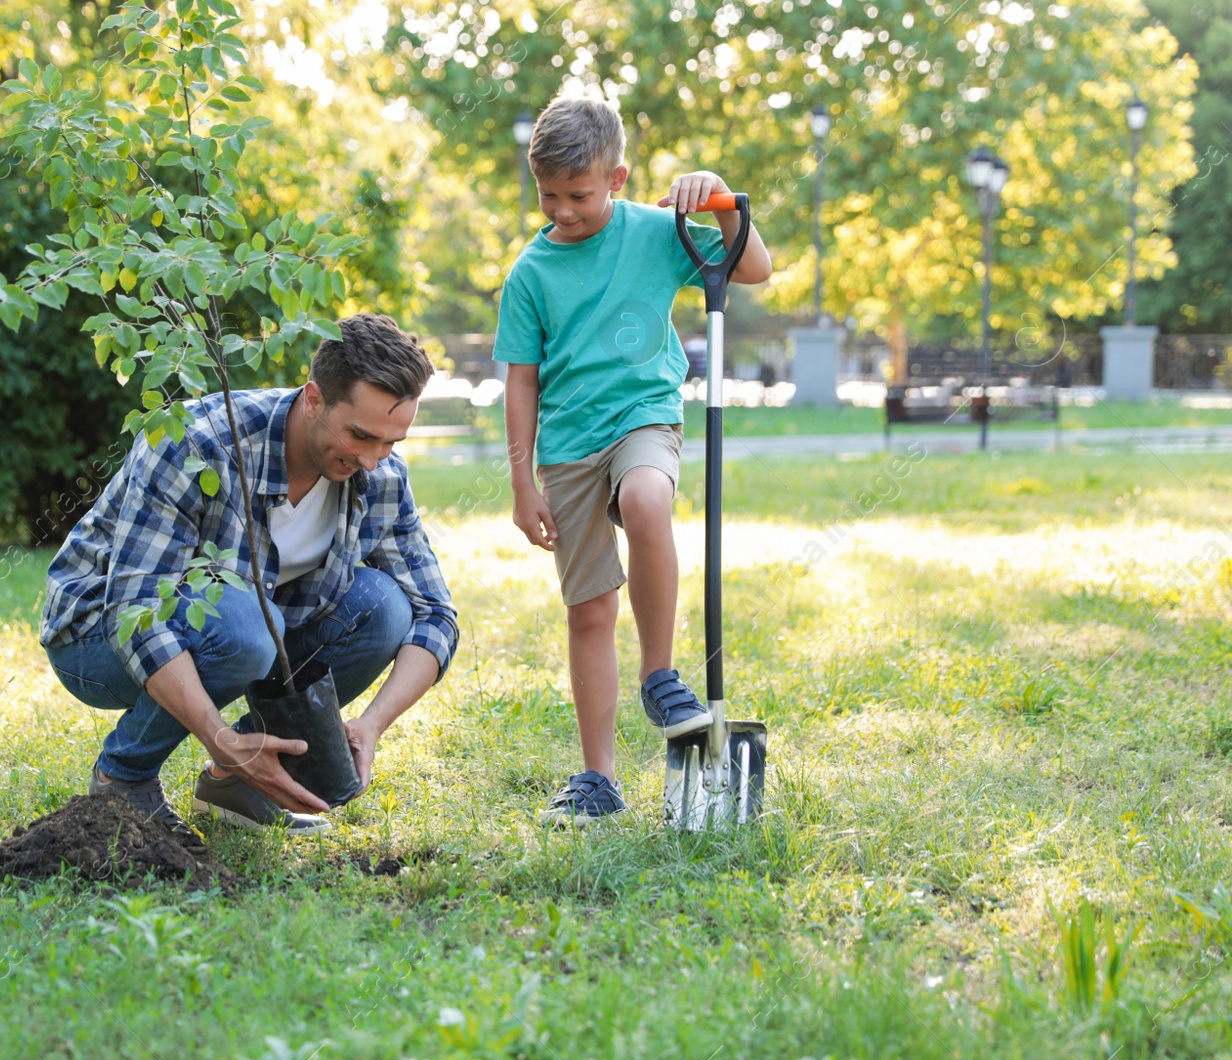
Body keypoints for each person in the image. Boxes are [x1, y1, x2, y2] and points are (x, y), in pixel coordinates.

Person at [41, 314, 459, 835]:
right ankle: (123, 781)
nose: (375, 461)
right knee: (245, 630)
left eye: (391, 443)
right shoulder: (195, 445)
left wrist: (372, 724)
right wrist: (220, 735)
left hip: (244, 629)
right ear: (313, 399)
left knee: (384, 609)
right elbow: (137, 607)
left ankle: (232, 785)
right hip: (95, 637)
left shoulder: (382, 480)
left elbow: (435, 614)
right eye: (361, 436)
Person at [495, 95, 773, 827]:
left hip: (643, 416)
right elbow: (521, 381)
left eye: (578, 194)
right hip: (566, 446)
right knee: (589, 610)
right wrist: (523, 482)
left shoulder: (656, 232)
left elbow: (755, 269)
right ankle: (598, 777)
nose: (563, 210)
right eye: (548, 195)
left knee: (649, 499)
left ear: (617, 178)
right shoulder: (530, 273)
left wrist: (717, 198)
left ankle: (660, 674)